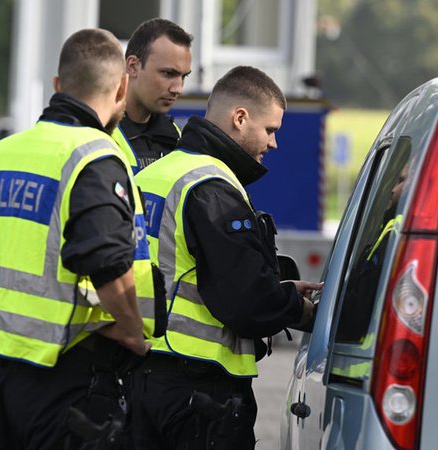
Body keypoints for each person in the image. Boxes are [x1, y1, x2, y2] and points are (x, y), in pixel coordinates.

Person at [0, 28, 164, 450]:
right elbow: (107, 260)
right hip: (72, 381)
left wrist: (15, 297)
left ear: (57, 85)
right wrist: (130, 333)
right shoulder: (94, 157)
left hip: (0, 380)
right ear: (123, 87)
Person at [129, 66, 322, 449]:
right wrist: (299, 309)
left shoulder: (153, 174)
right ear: (240, 118)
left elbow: (184, 270)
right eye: (270, 130)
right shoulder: (213, 188)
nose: (274, 143)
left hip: (139, 377)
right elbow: (247, 300)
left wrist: (279, 289)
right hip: (199, 391)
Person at [112, 17, 193, 172]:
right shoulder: (97, 130)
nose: (178, 89)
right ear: (133, 66)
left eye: (184, 76)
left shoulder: (175, 136)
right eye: (168, 73)